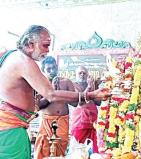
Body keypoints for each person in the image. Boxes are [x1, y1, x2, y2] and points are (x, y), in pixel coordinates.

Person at [0, 25, 110, 159]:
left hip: (16, 126)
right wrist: (90, 95)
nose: (48, 51)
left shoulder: (14, 57)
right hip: (10, 127)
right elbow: (50, 95)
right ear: (30, 44)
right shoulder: (23, 61)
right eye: (45, 45)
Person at [34, 56, 77, 159]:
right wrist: (51, 92)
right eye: (48, 69)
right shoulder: (39, 84)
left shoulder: (66, 82)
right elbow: (37, 106)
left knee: (60, 150)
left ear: (57, 67)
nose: (52, 71)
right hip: (46, 122)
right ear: (43, 70)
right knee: (43, 148)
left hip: (62, 121)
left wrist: (60, 94)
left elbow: (75, 104)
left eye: (54, 68)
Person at [70, 66, 100, 153]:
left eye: (84, 73)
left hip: (93, 121)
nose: (82, 75)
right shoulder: (73, 85)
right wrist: (89, 87)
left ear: (87, 75)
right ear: (76, 75)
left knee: (95, 147)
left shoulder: (91, 85)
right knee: (78, 147)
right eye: (80, 73)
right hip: (79, 122)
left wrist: (95, 87)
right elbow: (80, 102)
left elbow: (98, 103)